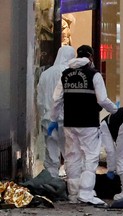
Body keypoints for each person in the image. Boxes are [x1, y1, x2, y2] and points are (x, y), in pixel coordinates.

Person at [49, 45, 118, 205]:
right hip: (88, 123)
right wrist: (115, 110)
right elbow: (102, 100)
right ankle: (86, 193)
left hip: (70, 123)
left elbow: (56, 99)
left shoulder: (65, 74)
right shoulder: (94, 75)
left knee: (72, 156)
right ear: (91, 57)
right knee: (90, 156)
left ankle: (73, 194)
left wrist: (53, 119)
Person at [37, 45, 75, 178]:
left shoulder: (45, 74)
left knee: (51, 152)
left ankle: (51, 182)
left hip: (48, 119)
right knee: (70, 152)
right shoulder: (70, 73)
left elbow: (40, 99)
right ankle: (73, 184)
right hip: (65, 119)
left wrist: (43, 115)